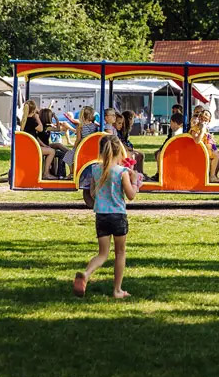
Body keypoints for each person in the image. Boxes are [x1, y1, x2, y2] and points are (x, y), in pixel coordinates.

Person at [73, 135, 139, 299]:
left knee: (102, 254)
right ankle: (117, 290)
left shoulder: (96, 169)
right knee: (120, 253)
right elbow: (131, 195)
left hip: (101, 215)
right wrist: (135, 181)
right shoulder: (122, 172)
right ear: (119, 152)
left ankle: (87, 274)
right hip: (118, 216)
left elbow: (93, 193)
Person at [21, 100, 55, 180]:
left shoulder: (24, 120)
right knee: (52, 151)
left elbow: (35, 137)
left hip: (28, 147)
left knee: (49, 149)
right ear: (33, 110)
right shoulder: (32, 121)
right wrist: (37, 118)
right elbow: (41, 129)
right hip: (31, 148)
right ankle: (46, 173)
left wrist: (45, 146)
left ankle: (45, 171)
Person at [153, 112, 184, 177]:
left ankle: (159, 174)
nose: (170, 125)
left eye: (171, 123)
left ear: (175, 123)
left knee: (159, 154)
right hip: (173, 151)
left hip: (176, 153)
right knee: (158, 153)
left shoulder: (177, 133)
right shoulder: (174, 132)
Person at [117, 110, 145, 175]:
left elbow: (126, 141)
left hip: (126, 147)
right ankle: (134, 173)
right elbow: (120, 141)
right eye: (133, 119)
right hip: (123, 149)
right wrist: (128, 148)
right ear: (129, 119)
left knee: (141, 155)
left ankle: (140, 172)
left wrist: (130, 147)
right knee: (134, 155)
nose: (134, 121)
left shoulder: (127, 129)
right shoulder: (121, 129)